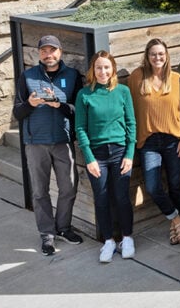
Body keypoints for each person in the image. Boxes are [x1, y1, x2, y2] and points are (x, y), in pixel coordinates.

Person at [13, 35, 84, 256]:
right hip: (35, 143)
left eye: (52, 50)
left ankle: (63, 227)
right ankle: (47, 234)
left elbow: (77, 110)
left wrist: (59, 105)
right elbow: (17, 112)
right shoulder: (28, 76)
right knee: (40, 191)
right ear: (39, 53)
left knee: (69, 187)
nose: (48, 55)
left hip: (62, 141)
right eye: (44, 50)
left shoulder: (72, 76)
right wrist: (30, 104)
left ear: (60, 52)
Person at [75, 50, 136, 263]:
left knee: (121, 197)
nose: (103, 71)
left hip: (120, 152)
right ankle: (108, 241)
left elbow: (131, 124)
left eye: (107, 67)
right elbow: (80, 128)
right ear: (93, 70)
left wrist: (129, 154)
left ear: (113, 69)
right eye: (99, 67)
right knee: (101, 198)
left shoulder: (123, 92)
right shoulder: (85, 95)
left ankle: (127, 238)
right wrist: (89, 158)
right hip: (97, 155)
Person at [128, 39, 180, 245]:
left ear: (167, 55)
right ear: (147, 55)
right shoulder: (137, 77)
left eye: (161, 54)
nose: (157, 58)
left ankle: (176, 227)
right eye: (153, 54)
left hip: (173, 140)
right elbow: (131, 108)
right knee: (153, 186)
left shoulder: (177, 79)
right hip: (148, 141)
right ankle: (178, 219)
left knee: (174, 184)